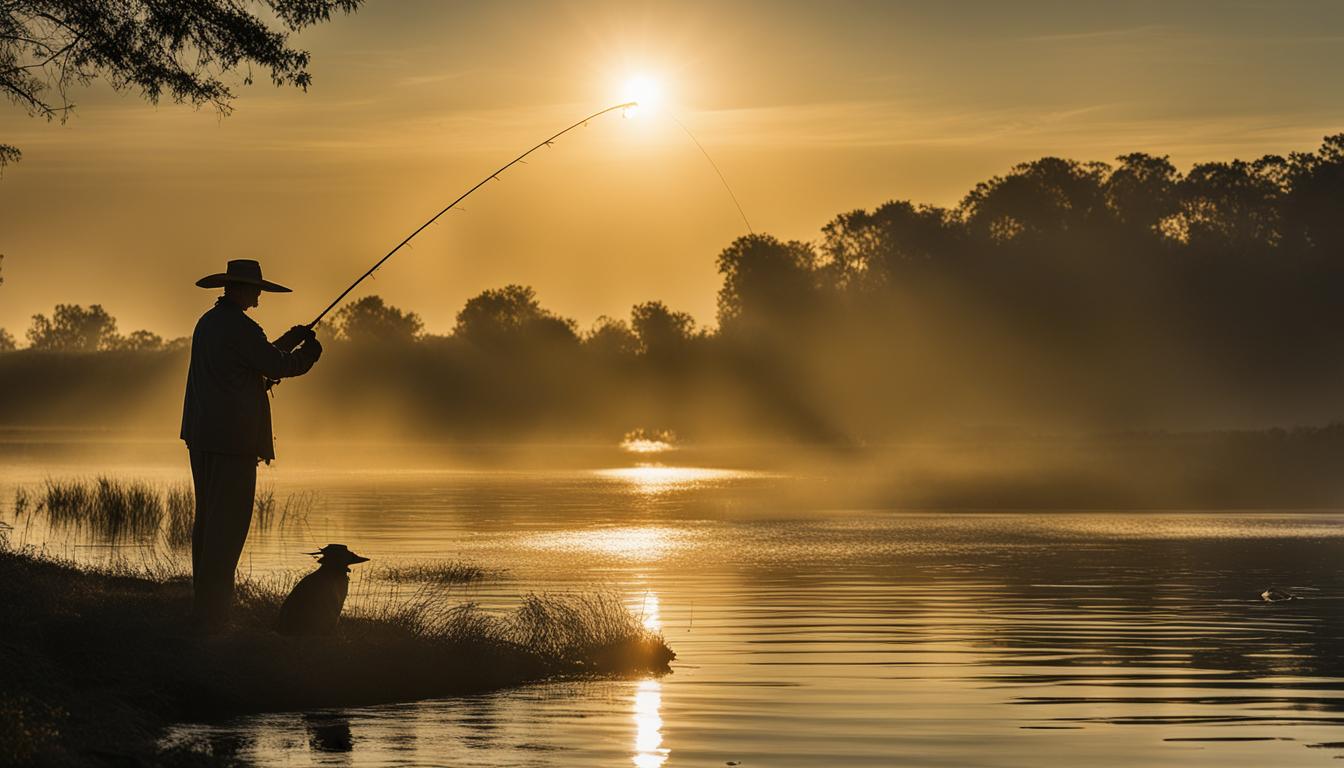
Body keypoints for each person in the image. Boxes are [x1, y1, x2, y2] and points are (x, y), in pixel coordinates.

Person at [181, 259, 323, 630]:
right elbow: (276, 367)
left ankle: (205, 609)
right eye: (256, 288)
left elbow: (252, 362)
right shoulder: (242, 328)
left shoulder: (208, 323)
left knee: (209, 522)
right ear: (240, 289)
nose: (259, 294)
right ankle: (214, 617)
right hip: (233, 440)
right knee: (228, 527)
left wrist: (288, 341)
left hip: (202, 436)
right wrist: (308, 356)